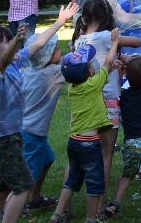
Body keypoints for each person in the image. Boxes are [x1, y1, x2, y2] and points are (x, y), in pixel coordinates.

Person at [0, 5, 77, 223]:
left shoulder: (22, 66)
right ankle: (9, 214)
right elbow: (3, 61)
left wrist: (60, 21)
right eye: (5, 42)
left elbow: (39, 44)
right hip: (16, 136)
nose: (12, 43)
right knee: (22, 183)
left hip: (20, 132)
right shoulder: (5, 68)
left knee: (40, 163)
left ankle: (21, 205)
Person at [70, 0, 141, 216]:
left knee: (78, 154)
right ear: (105, 16)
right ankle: (99, 206)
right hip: (107, 98)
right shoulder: (105, 36)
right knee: (105, 153)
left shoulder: (79, 39)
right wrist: (119, 33)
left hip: (85, 101)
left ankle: (65, 205)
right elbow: (138, 42)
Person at [49, 29, 121, 223]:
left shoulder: (73, 88)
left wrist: (109, 69)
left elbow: (103, 69)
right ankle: (90, 218)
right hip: (90, 143)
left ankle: (57, 213)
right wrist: (114, 42)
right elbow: (106, 62)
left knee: (72, 180)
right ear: (89, 71)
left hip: (74, 141)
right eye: (90, 64)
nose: (93, 64)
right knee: (95, 183)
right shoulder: (94, 84)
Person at [20, 4, 80, 215]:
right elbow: (76, 67)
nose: (60, 51)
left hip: (28, 130)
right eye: (56, 50)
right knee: (29, 172)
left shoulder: (28, 71)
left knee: (48, 159)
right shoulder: (53, 73)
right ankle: (19, 205)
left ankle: (34, 198)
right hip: (33, 133)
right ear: (47, 58)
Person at [105, 56, 141, 218]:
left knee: (127, 174)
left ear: (127, 75)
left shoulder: (123, 94)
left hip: (132, 142)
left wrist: (124, 70)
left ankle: (114, 203)